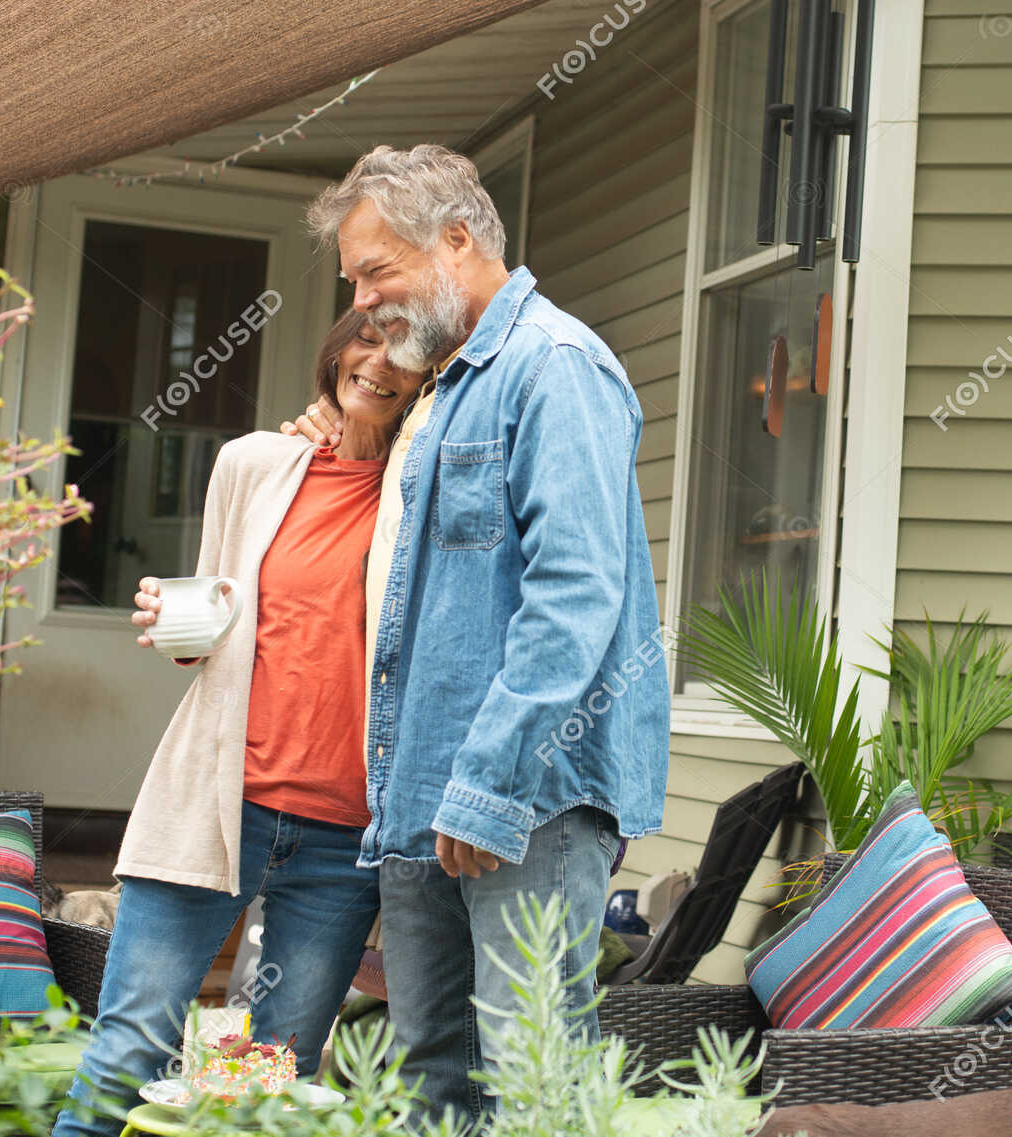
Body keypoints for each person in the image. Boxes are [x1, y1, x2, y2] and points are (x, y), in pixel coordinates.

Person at [287, 144, 668, 1123]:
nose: (368, 304)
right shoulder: (451, 384)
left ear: (457, 240)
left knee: (531, 1076)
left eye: (378, 272)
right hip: (422, 796)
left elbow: (576, 594)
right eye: (356, 282)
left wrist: (489, 779)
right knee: (433, 1077)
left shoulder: (557, 367)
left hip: (522, 800)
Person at [53, 310, 418, 1137]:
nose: (379, 362)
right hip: (219, 800)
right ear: (337, 347)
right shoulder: (253, 463)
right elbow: (219, 609)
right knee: (129, 1046)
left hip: (343, 833)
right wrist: (174, 623)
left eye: (407, 350)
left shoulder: (419, 493)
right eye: (366, 337)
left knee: (271, 1080)